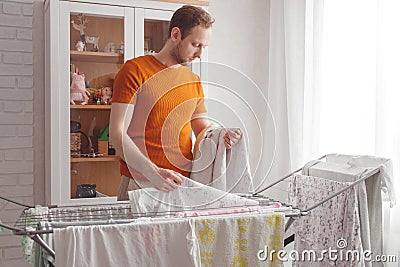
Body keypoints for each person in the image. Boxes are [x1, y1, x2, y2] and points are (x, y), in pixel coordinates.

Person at [109, 5, 242, 200]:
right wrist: (153, 173)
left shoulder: (193, 80)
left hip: (181, 186)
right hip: (139, 184)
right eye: (196, 44)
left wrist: (222, 135)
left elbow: (202, 129)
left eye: (204, 47)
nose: (200, 54)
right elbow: (116, 134)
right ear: (176, 34)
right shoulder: (135, 70)